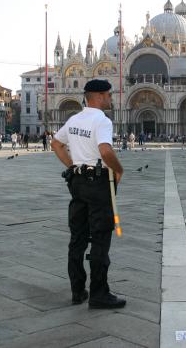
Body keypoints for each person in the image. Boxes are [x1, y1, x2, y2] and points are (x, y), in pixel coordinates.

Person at [51, 79, 126, 309]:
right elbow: (105, 150)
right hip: (98, 184)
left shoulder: (75, 119)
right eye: (109, 95)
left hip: (78, 183)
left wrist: (72, 166)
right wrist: (119, 169)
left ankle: (77, 290)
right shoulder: (101, 120)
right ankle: (99, 293)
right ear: (100, 96)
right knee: (101, 237)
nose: (111, 99)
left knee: (78, 239)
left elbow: (55, 144)